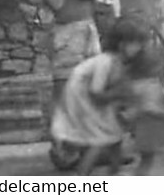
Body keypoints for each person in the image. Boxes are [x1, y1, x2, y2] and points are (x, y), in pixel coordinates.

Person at [49, 17, 152, 175]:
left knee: (114, 141)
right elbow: (95, 92)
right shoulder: (106, 62)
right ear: (122, 44)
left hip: (92, 99)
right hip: (81, 98)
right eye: (135, 43)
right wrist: (117, 97)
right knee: (100, 140)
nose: (139, 47)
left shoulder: (120, 63)